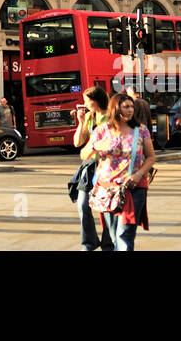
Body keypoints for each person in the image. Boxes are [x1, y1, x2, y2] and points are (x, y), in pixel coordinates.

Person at [85, 92, 157, 251]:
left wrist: (138, 174)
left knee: (124, 235)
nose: (130, 110)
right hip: (107, 189)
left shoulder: (141, 130)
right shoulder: (102, 130)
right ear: (115, 108)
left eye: (131, 106)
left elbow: (151, 157)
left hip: (133, 189)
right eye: (126, 107)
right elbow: (84, 154)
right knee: (111, 234)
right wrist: (96, 146)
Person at [72, 86, 110, 250]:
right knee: (82, 204)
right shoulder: (88, 116)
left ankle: (109, 243)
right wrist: (81, 123)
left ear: (96, 101)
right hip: (89, 167)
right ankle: (90, 241)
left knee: (107, 207)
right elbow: (77, 142)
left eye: (87, 101)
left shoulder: (111, 116)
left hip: (107, 167)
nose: (84, 104)